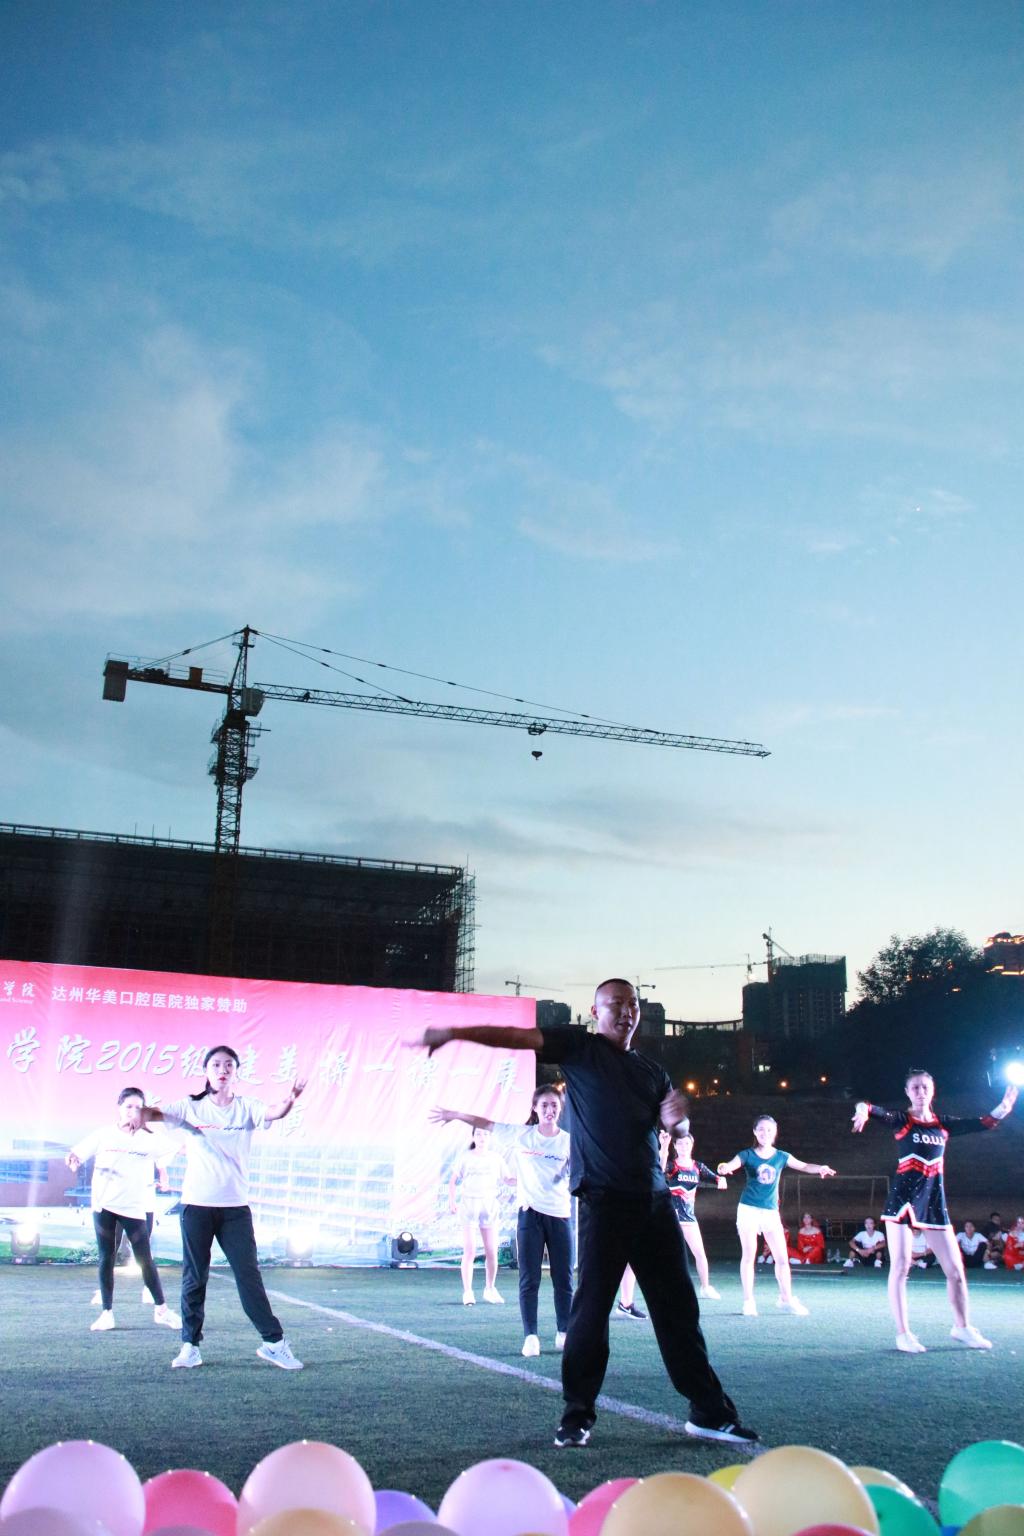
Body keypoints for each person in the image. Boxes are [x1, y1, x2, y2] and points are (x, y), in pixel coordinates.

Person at [416, 977, 757, 1448]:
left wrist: (679, 1119)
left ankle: (709, 1412)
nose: (626, 1012)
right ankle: (577, 1414)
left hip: (654, 1202)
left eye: (633, 1004)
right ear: (595, 1012)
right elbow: (516, 1037)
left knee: (679, 1311)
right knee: (590, 1312)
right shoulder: (580, 1049)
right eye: (615, 1004)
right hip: (604, 1200)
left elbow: (677, 1128)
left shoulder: (653, 1072)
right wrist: (456, 1033)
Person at [140, 1044, 305, 1371]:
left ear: (236, 1072)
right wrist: (139, 1113)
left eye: (229, 1065)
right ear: (206, 1071)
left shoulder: (246, 1107)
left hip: (234, 1209)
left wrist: (292, 1097)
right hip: (196, 1206)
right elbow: (157, 1114)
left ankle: (274, 1344)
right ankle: (190, 1346)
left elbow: (275, 1112)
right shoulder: (190, 1106)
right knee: (194, 1277)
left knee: (248, 1275)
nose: (222, 1070)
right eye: (216, 1064)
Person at [852, 1070, 1017, 1353]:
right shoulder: (902, 1120)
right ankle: (903, 1333)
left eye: (925, 1087)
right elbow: (867, 1106)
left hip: (932, 1201)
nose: (920, 1092)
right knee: (901, 1266)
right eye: (915, 1087)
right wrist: (861, 1112)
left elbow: (984, 1123)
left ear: (933, 1090)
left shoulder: (944, 1124)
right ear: (907, 1092)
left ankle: (962, 1327)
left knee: (955, 1270)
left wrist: (1004, 1107)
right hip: (902, 1201)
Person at [433, 1084, 571, 1351]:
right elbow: (486, 1123)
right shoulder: (522, 1135)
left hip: (560, 1215)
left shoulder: (568, 1141)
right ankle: (530, 1336)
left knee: (563, 1279)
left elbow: (578, 1170)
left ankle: (563, 1332)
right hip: (530, 1216)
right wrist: (456, 1115)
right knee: (529, 1279)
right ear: (535, 1108)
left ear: (560, 1109)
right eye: (544, 1105)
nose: (549, 1110)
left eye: (554, 1105)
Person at [66, 1086, 181, 1334]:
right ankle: (106, 1313)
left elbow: (175, 1149)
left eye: (138, 1107)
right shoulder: (104, 1134)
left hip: (134, 1207)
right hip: (104, 1205)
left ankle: (161, 1310)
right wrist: (73, 1159)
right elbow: (76, 1154)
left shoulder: (150, 1138)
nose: (133, 1111)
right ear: (119, 1108)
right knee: (106, 1257)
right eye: (128, 1106)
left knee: (144, 1259)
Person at [718, 1115, 836, 1317]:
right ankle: (748, 1302)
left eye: (769, 1130)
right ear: (755, 1132)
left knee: (782, 1258)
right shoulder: (747, 1154)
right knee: (749, 1256)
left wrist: (820, 1168)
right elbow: (731, 1164)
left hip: (771, 1212)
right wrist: (725, 1167)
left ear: (775, 1132)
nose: (765, 1133)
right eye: (761, 1129)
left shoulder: (781, 1156)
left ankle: (786, 1299)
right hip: (748, 1209)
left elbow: (804, 1166)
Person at [447, 1124, 508, 1305]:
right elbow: (452, 1181)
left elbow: (508, 1179)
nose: (482, 1138)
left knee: (492, 1251)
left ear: (490, 1137)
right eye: (479, 1134)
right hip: (469, 1206)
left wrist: (526, 1179)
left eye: (486, 1134)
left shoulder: (496, 1158)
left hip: (489, 1206)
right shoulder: (465, 1157)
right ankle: (468, 1292)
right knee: (470, 1250)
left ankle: (490, 1289)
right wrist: (452, 1201)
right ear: (473, 1137)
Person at [663, 1129, 727, 1298]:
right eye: (680, 1143)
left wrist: (721, 1179)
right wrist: (664, 1147)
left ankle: (705, 1287)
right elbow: (659, 1169)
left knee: (700, 1253)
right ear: (675, 1146)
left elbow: (716, 1178)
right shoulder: (671, 1166)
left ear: (692, 1145)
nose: (684, 1146)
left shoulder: (698, 1167)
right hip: (671, 1217)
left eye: (687, 1143)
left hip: (689, 1219)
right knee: (666, 1254)